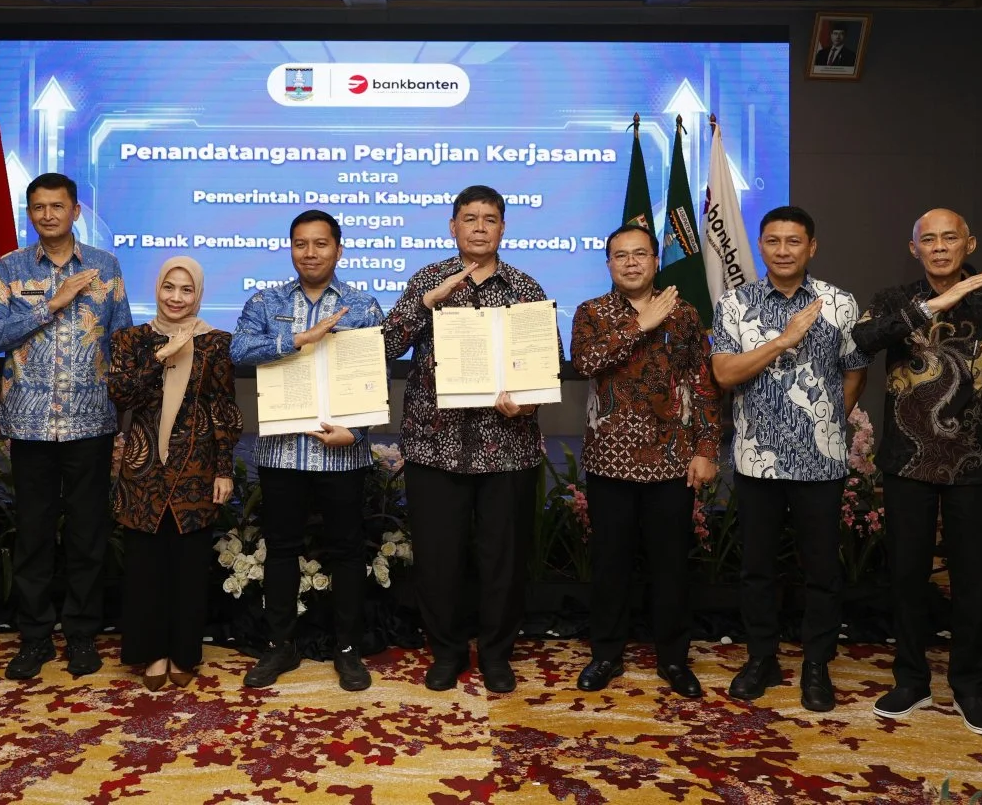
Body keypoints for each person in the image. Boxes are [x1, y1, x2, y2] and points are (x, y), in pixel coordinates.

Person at [851, 209, 982, 736]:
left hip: (974, 464)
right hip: (907, 460)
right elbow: (862, 341)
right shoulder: (893, 300)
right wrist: (931, 307)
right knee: (905, 575)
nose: (940, 247)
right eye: (929, 239)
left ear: (968, 242)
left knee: (973, 579)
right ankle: (911, 679)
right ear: (914, 249)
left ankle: (971, 686)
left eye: (950, 237)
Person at [382, 185, 556, 694]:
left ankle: (497, 654)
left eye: (490, 219)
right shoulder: (428, 280)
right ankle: (448, 651)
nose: (479, 227)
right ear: (452, 226)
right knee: (438, 559)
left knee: (502, 561)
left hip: (506, 448)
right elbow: (388, 345)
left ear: (503, 228)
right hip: (435, 447)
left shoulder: (525, 287)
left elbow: (546, 360)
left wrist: (527, 402)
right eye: (469, 218)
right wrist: (425, 304)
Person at [711, 205, 869, 712]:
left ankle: (817, 665)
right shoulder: (735, 303)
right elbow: (725, 374)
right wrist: (782, 341)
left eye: (793, 241)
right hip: (757, 461)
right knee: (756, 568)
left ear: (812, 247)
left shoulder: (840, 304)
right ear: (761, 246)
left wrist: (825, 422)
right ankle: (761, 659)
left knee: (822, 570)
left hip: (821, 461)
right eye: (773, 241)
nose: (783, 250)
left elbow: (853, 371)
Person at [0, 172, 133, 680]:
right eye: (39, 207)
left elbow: (124, 342)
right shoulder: (10, 266)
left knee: (88, 537)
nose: (48, 214)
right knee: (34, 537)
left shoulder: (106, 267)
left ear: (74, 212)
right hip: (29, 423)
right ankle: (35, 638)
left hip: (92, 423)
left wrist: (129, 417)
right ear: (30, 214)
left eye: (57, 206)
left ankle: (83, 636)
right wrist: (52, 303)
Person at [231, 210, 386, 692]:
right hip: (282, 453)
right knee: (281, 550)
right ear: (291, 249)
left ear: (339, 249)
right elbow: (238, 352)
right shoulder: (265, 301)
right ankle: (280, 646)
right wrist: (299, 339)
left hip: (343, 453)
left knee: (345, 551)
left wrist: (357, 435)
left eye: (321, 244)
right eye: (301, 244)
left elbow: (371, 378)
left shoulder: (363, 306)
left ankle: (346, 648)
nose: (311, 253)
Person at [570, 223, 721, 698]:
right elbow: (585, 363)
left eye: (640, 254)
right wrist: (640, 325)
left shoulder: (686, 314)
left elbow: (704, 385)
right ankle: (606, 655)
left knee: (671, 565)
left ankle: (674, 659)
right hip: (609, 463)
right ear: (609, 264)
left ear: (656, 261)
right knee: (610, 562)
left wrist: (705, 449)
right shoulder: (591, 313)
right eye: (620, 255)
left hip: (672, 461)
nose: (631, 262)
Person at [108, 256, 239, 690]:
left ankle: (183, 653)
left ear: (198, 294)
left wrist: (224, 470)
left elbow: (223, 409)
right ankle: (151, 653)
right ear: (157, 289)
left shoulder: (216, 342)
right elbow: (121, 396)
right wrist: (162, 356)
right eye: (169, 287)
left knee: (187, 568)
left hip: (195, 469)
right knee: (146, 568)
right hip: (143, 471)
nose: (176, 298)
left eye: (186, 290)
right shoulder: (131, 339)